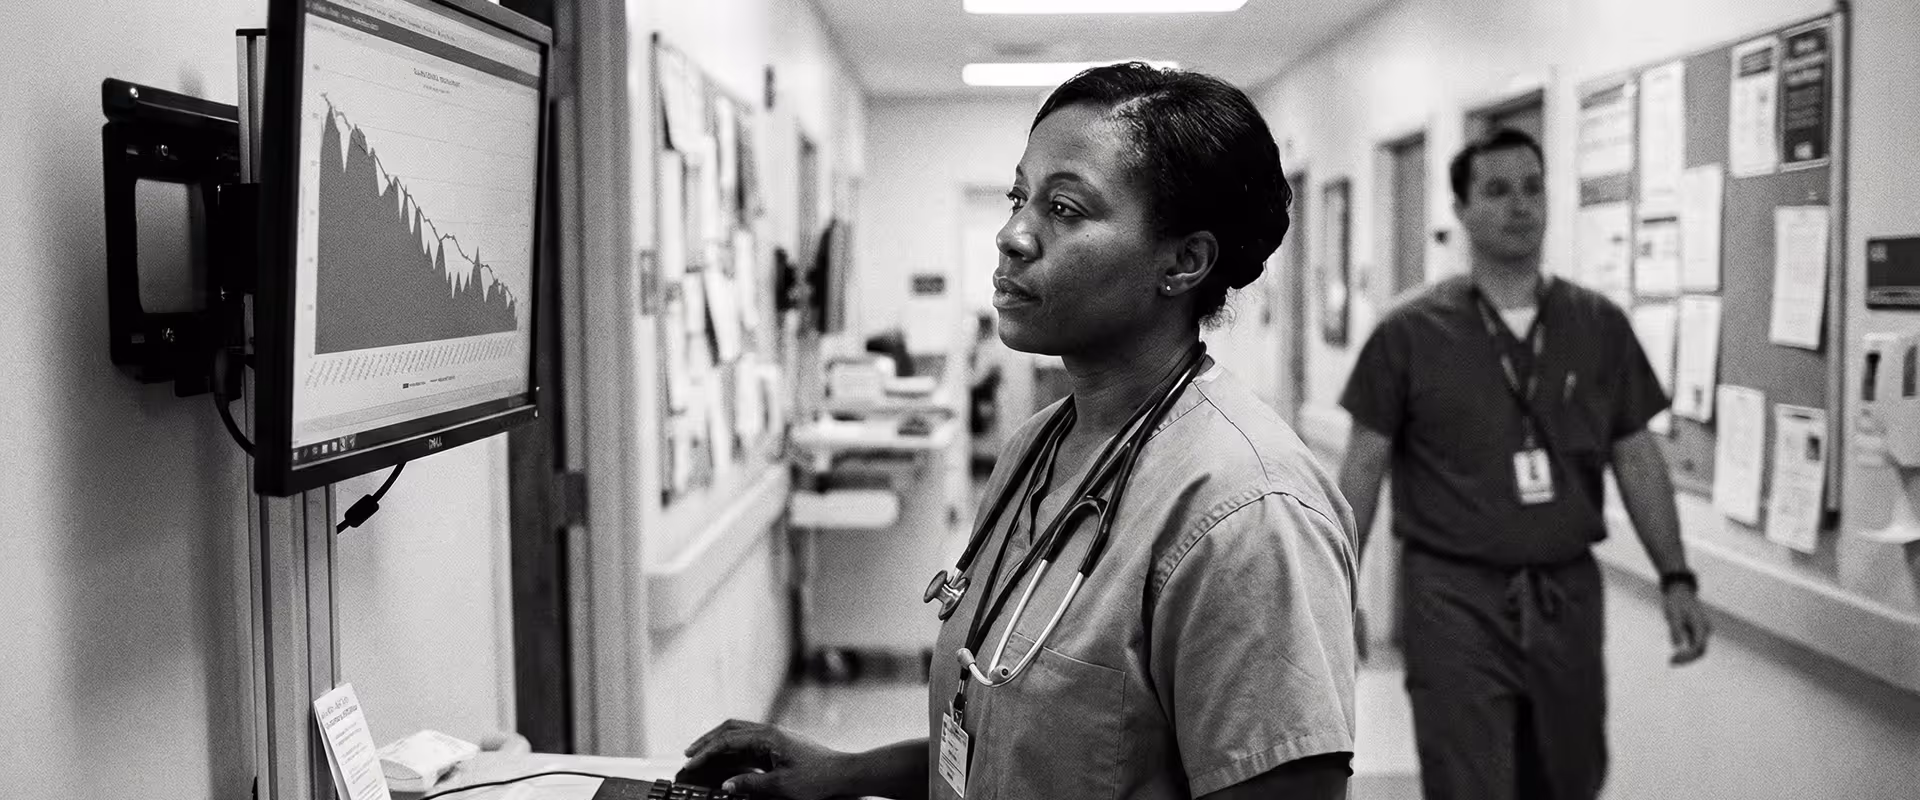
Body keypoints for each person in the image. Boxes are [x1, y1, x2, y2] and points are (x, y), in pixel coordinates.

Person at [679, 62, 1358, 800]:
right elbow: (1028, 749)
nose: (1012, 236)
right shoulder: (1035, 451)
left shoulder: (1250, 515)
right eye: (1018, 197)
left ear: (1184, 262)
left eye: (1064, 209)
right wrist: (845, 773)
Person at [1336, 128, 1713, 800]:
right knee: (1467, 780)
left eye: (1533, 188)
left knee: (1570, 778)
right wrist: (1340, 590)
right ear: (1460, 209)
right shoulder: (1410, 331)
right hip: (1453, 599)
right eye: (1498, 190)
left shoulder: (1597, 325)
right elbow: (1363, 468)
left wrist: (1675, 575)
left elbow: (1637, 456)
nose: (1521, 206)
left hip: (1565, 595)